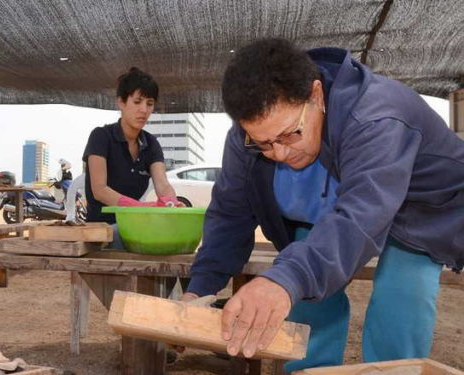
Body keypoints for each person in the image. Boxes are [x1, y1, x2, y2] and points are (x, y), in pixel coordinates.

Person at [182, 38, 464, 371]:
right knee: (302, 287)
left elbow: (361, 217)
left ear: (316, 95)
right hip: (344, 205)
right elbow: (231, 213)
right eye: (264, 144)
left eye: (290, 135)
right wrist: (198, 291)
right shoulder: (250, 134)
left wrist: (284, 280)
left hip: (421, 208)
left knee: (400, 295)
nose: (280, 153)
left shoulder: (375, 116)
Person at [82, 67, 183, 249]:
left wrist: (172, 204)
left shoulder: (151, 144)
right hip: (101, 230)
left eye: (150, 104)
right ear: (121, 102)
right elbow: (100, 190)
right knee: (133, 237)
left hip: (134, 225)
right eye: (137, 102)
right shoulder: (101, 137)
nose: (144, 110)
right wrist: (140, 208)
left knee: (178, 237)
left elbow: (163, 185)